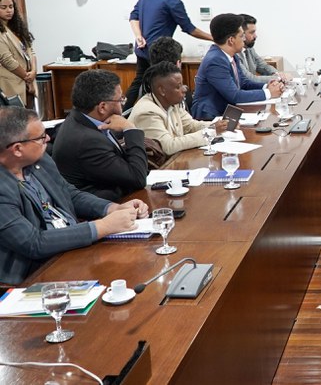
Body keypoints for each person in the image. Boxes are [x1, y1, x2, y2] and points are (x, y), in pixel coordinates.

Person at [0, 106, 148, 285]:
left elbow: (70, 193)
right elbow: (33, 243)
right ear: (17, 149)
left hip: (73, 250)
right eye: (40, 137)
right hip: (35, 274)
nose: (47, 138)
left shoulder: (39, 160)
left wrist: (112, 208)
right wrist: (102, 226)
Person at [125, 0, 213, 110]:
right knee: (165, 86)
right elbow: (189, 29)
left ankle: (125, 112)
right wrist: (213, 37)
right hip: (161, 52)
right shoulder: (173, 1)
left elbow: (133, 17)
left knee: (139, 82)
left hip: (142, 48)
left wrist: (138, 35)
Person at [52, 69, 148, 202]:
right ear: (102, 107)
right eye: (120, 100)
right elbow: (138, 178)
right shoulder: (87, 141)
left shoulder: (80, 117)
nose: (122, 106)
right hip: (102, 210)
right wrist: (130, 128)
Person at [191, 13, 283, 120]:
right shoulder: (215, 60)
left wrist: (266, 86)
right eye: (241, 36)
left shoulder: (231, 55)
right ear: (231, 40)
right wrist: (268, 93)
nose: (244, 39)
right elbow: (235, 95)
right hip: (211, 117)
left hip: (228, 112)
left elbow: (244, 83)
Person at [129, 61, 227, 155]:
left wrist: (217, 126)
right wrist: (210, 132)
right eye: (178, 86)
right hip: (160, 168)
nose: (184, 89)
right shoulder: (147, 112)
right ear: (162, 90)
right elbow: (168, 146)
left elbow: (190, 126)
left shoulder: (171, 102)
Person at [0, 0, 37, 107]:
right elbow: (7, 60)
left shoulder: (16, 28)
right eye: (3, 7)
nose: (9, 10)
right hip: (11, 82)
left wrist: (34, 72)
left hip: (28, 80)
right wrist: (27, 77)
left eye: (11, 7)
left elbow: (31, 50)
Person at [238, 14, 290, 84]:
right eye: (252, 32)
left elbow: (263, 66)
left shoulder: (249, 49)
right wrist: (278, 78)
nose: (255, 36)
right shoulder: (234, 54)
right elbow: (250, 78)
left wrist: (277, 73)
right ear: (241, 34)